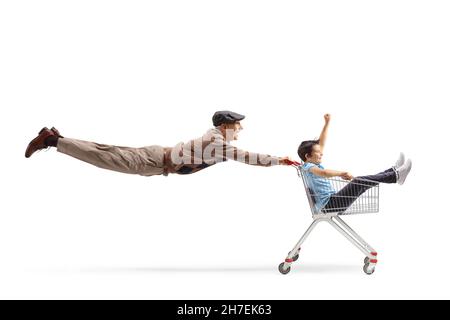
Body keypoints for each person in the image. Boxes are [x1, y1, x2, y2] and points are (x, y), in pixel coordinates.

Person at [25, 111, 292, 176]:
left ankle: (56, 136)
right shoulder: (218, 141)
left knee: (104, 150)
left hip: (157, 154)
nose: (241, 129)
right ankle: (51, 140)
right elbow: (247, 157)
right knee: (102, 157)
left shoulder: (215, 138)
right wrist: (280, 160)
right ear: (225, 126)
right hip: (153, 161)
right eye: (237, 125)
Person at [297, 114, 412, 213]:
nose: (321, 153)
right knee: (359, 181)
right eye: (318, 152)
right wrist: (342, 173)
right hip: (330, 205)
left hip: (332, 202)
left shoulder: (309, 164)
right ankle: (395, 176)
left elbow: (321, 143)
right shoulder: (308, 167)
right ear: (308, 156)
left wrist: (326, 123)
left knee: (361, 182)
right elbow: (324, 172)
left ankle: (393, 172)